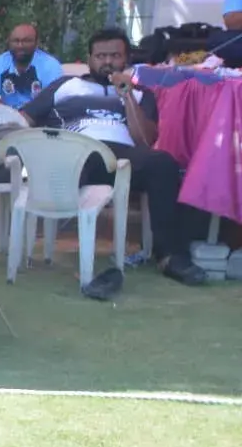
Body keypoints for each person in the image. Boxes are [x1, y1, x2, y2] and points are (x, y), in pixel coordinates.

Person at [18, 27, 209, 286]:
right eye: (100, 56)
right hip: (73, 151)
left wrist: (127, 95)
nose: (107, 62)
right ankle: (82, 262)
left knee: (163, 163)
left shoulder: (141, 94)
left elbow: (145, 141)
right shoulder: (65, 86)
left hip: (121, 160)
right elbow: (23, 119)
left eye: (115, 56)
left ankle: (170, 256)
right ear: (89, 59)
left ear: (126, 59)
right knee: (72, 156)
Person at [0, 22, 63, 112]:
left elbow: (53, 103)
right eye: (16, 41)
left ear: (36, 43)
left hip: (39, 119)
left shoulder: (50, 65)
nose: (20, 46)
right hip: (6, 118)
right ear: (9, 42)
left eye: (26, 41)